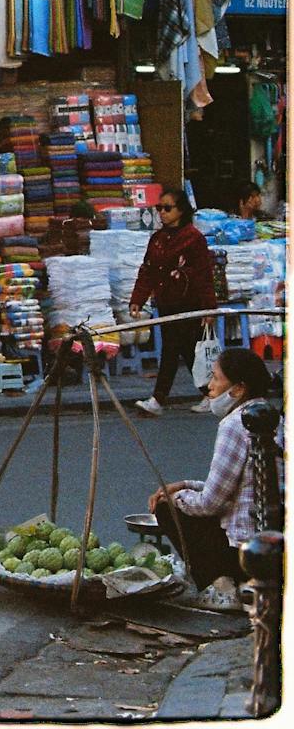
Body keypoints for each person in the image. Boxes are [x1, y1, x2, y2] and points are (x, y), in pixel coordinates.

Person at [147, 347, 280, 608]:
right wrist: (186, 485)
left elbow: (211, 503)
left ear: (239, 388)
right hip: (275, 543)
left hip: (248, 553)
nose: (210, 387)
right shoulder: (275, 417)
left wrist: (175, 498)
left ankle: (222, 584)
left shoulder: (236, 424)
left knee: (166, 508)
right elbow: (240, 485)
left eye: (216, 378)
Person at [132, 187, 218, 417]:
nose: (162, 213)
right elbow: (147, 271)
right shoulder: (158, 239)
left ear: (181, 210)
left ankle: (158, 399)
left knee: (176, 350)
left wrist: (209, 308)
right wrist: (137, 299)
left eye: (167, 208)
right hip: (166, 302)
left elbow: (203, 274)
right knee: (184, 351)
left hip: (189, 303)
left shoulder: (193, 239)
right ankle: (210, 394)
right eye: (159, 208)